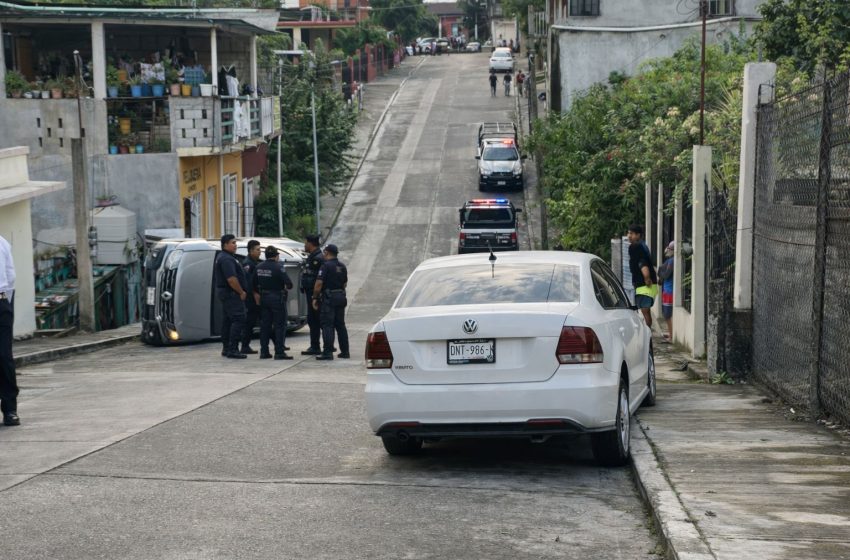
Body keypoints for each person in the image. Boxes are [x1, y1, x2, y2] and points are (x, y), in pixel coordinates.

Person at [254, 245, 294, 360]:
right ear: (276, 256)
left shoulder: (259, 267)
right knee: (279, 326)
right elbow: (289, 284)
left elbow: (253, 283)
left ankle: (264, 352)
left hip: (264, 298)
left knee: (265, 326)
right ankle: (279, 352)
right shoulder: (279, 267)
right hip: (277, 298)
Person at [312, 244, 350, 361]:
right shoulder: (342, 266)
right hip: (340, 297)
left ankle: (327, 352)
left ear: (327, 253)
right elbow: (344, 283)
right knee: (340, 325)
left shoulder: (325, 266)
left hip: (329, 299)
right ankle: (345, 352)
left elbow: (318, 284)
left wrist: (315, 297)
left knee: (327, 325)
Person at [214, 234, 248, 359]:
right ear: (225, 245)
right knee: (238, 319)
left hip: (227, 294)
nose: (235, 245)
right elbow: (232, 279)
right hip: (232, 293)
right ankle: (233, 349)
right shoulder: (227, 259)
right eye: (233, 243)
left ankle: (227, 348)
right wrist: (241, 292)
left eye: (235, 243)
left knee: (228, 321)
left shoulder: (224, 257)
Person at [0, 235, 19, 426]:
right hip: (3, 300)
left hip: (1, 301)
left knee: (4, 355)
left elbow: (10, 275)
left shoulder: (2, 242)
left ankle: (10, 408)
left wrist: (7, 303)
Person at [627, 225, 658, 328]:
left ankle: (647, 332)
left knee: (645, 310)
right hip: (645, 284)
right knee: (645, 310)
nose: (629, 236)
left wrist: (646, 278)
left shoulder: (636, 247)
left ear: (638, 235)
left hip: (644, 284)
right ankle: (647, 331)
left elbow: (642, 263)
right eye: (628, 233)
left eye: (631, 233)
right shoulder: (642, 245)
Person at [300, 234, 325, 355]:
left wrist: (316, 295)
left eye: (305, 243)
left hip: (316, 295)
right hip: (310, 293)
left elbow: (320, 279)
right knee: (313, 320)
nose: (304, 245)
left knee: (318, 320)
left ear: (310, 243)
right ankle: (315, 346)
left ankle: (323, 346)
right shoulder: (313, 257)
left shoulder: (318, 258)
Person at [239, 239, 261, 355]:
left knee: (263, 320)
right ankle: (245, 346)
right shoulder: (248, 264)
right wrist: (255, 294)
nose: (259, 252)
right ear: (251, 251)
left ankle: (279, 344)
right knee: (250, 322)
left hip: (254, 297)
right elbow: (248, 282)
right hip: (251, 298)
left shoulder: (254, 263)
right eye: (257, 250)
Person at [658, 241, 675, 340]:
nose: (668, 250)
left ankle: (671, 335)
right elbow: (661, 269)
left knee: (667, 315)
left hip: (669, 291)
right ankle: (670, 333)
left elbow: (665, 273)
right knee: (667, 314)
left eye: (670, 248)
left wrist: (661, 275)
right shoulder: (669, 260)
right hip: (667, 290)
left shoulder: (672, 261)